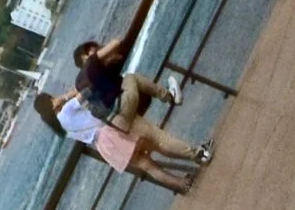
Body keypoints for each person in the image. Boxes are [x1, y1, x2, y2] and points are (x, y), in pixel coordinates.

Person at [34, 88, 211, 187]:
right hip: (112, 131)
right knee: (159, 143)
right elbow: (86, 90)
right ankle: (198, 155)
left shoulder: (59, 128)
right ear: (51, 101)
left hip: (104, 147)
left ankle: (182, 183)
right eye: (52, 98)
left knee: (147, 166)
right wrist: (64, 97)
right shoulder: (66, 111)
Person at [71, 37, 184, 127]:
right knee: (130, 78)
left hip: (120, 119)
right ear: (86, 56)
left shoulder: (85, 82)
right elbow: (116, 42)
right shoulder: (93, 65)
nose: (95, 51)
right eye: (91, 50)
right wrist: (100, 56)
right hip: (127, 105)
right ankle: (170, 96)